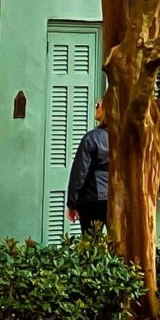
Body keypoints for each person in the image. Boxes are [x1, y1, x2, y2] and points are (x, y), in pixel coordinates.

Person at [65, 99, 112, 235]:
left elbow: (79, 173)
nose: (95, 107)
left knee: (91, 246)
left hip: (93, 199)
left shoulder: (92, 138)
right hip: (116, 199)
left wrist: (72, 203)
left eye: (98, 105)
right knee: (117, 245)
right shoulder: (124, 139)